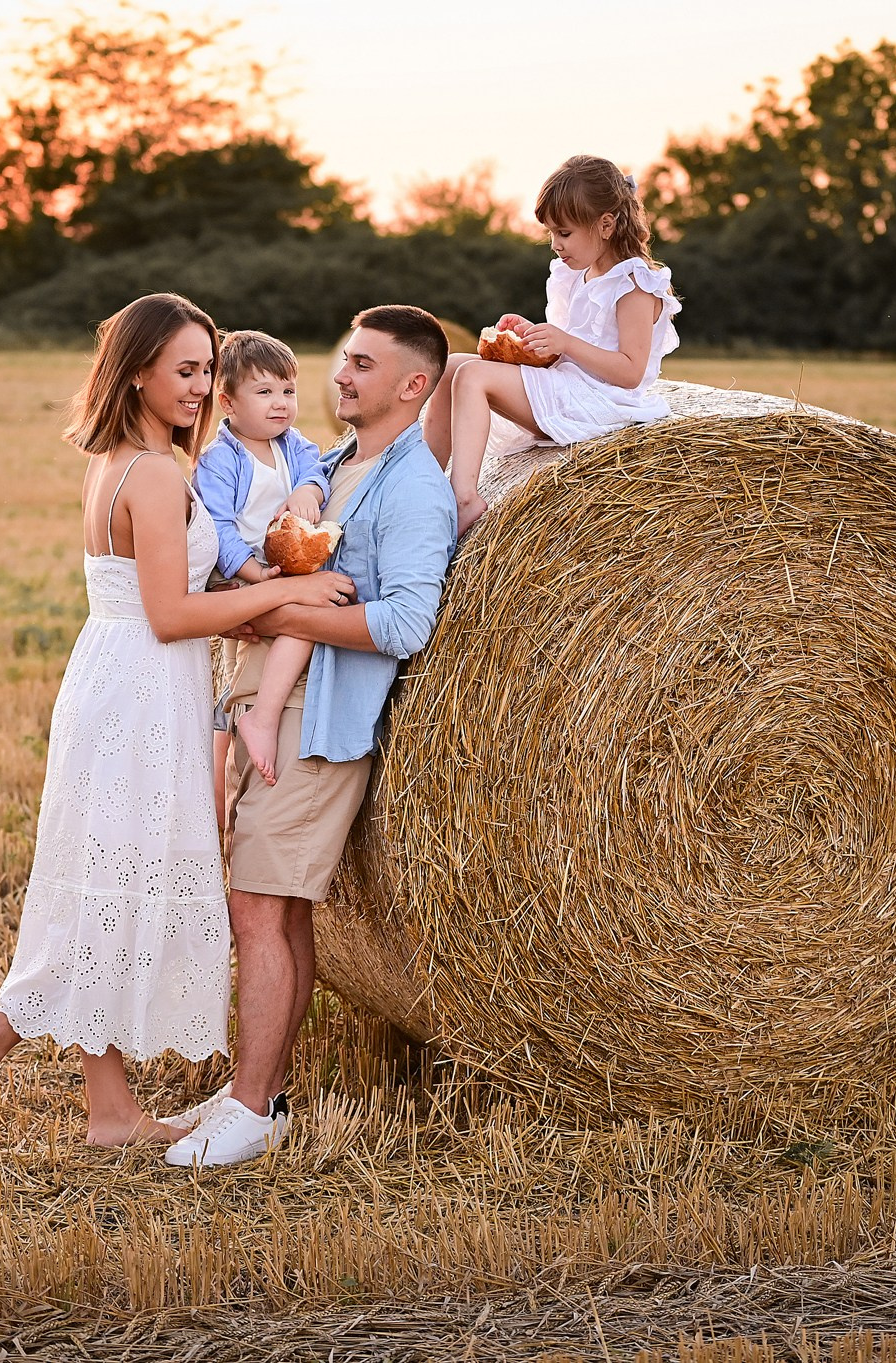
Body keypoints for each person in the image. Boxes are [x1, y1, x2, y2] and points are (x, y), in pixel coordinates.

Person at [0, 293, 354, 1145]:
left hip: (125, 676)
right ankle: (25, 1035)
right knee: (126, 875)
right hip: (139, 686)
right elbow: (170, 613)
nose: (203, 386)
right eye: (185, 369)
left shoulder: (120, 460)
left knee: (118, 875)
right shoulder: (159, 472)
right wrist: (289, 591)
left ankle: (103, 1105)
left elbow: (174, 599)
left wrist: (262, 607)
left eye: (208, 369)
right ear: (136, 372)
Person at [162, 305, 459, 1168]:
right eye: (343, 358)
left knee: (258, 906)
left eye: (363, 364)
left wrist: (279, 609)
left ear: (413, 385)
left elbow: (406, 621)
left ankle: (251, 1108)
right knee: (273, 909)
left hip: (318, 723)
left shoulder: (409, 486)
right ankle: (259, 1093)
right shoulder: (331, 465)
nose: (342, 375)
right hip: (270, 703)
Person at [426, 154, 683, 532]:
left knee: (473, 377)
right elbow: (567, 345)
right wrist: (528, 338)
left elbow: (630, 371)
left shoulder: (634, 285)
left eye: (563, 233)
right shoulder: (574, 273)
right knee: (449, 367)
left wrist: (564, 343)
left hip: (602, 403)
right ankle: (425, 484)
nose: (554, 244)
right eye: (550, 233)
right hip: (567, 387)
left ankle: (465, 498)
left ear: (606, 225)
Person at [192, 330, 330, 811]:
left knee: (309, 618)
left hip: (282, 567)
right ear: (228, 401)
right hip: (238, 576)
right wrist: (253, 574)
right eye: (265, 391)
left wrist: (307, 494)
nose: (281, 404)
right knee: (288, 631)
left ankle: (249, 722)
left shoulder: (294, 445)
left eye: (288, 391)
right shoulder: (221, 460)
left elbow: (317, 472)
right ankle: (258, 719)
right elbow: (219, 529)